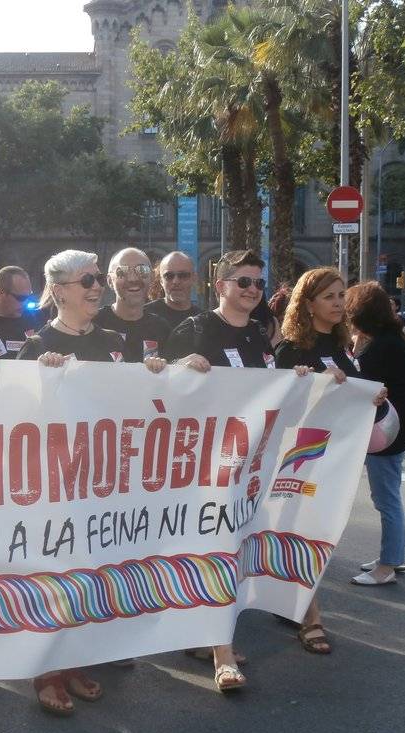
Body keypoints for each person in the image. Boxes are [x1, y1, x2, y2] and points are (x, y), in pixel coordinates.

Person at [18, 249, 166, 714]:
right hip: (55, 485)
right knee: (56, 577)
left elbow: (134, 406)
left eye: (99, 277)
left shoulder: (111, 341)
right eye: (87, 280)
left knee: (91, 573)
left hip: (103, 482)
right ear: (59, 290)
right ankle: (46, 671)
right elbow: (13, 420)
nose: (97, 286)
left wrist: (159, 379)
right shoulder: (35, 346)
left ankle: (77, 659)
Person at [163, 250, 309, 692]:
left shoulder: (259, 339)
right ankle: (222, 653)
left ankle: (205, 634)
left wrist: (300, 378)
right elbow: (155, 386)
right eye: (242, 282)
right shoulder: (195, 329)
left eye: (258, 284)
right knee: (217, 548)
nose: (252, 290)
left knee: (235, 550)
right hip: (206, 466)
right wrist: (179, 368)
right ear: (220, 285)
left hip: (251, 465)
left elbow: (267, 390)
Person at [275, 268, 388, 653]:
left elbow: (354, 395)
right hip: (299, 458)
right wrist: (302, 381)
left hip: (335, 460)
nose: (339, 302)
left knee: (316, 532)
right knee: (305, 532)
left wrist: (371, 397)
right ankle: (311, 618)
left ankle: (289, 599)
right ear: (308, 304)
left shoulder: (342, 347)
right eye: (329, 296)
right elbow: (280, 405)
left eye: (341, 295)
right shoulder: (291, 349)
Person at [345, 282, 405, 586]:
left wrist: (355, 350)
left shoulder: (381, 345)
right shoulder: (393, 339)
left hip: (387, 431)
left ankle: (388, 564)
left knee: (385, 497)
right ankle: (394, 555)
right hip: (398, 427)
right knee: (390, 495)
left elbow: (360, 382)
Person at [94, 248, 171, 362]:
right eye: (122, 272)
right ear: (110, 281)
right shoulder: (94, 324)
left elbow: (174, 369)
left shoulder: (162, 328)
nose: (133, 278)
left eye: (142, 270)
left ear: (152, 277)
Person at [145, 251, 200, 327]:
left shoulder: (204, 321)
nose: (176, 281)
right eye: (169, 276)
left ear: (194, 279)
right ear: (161, 281)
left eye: (183, 275)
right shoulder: (142, 315)